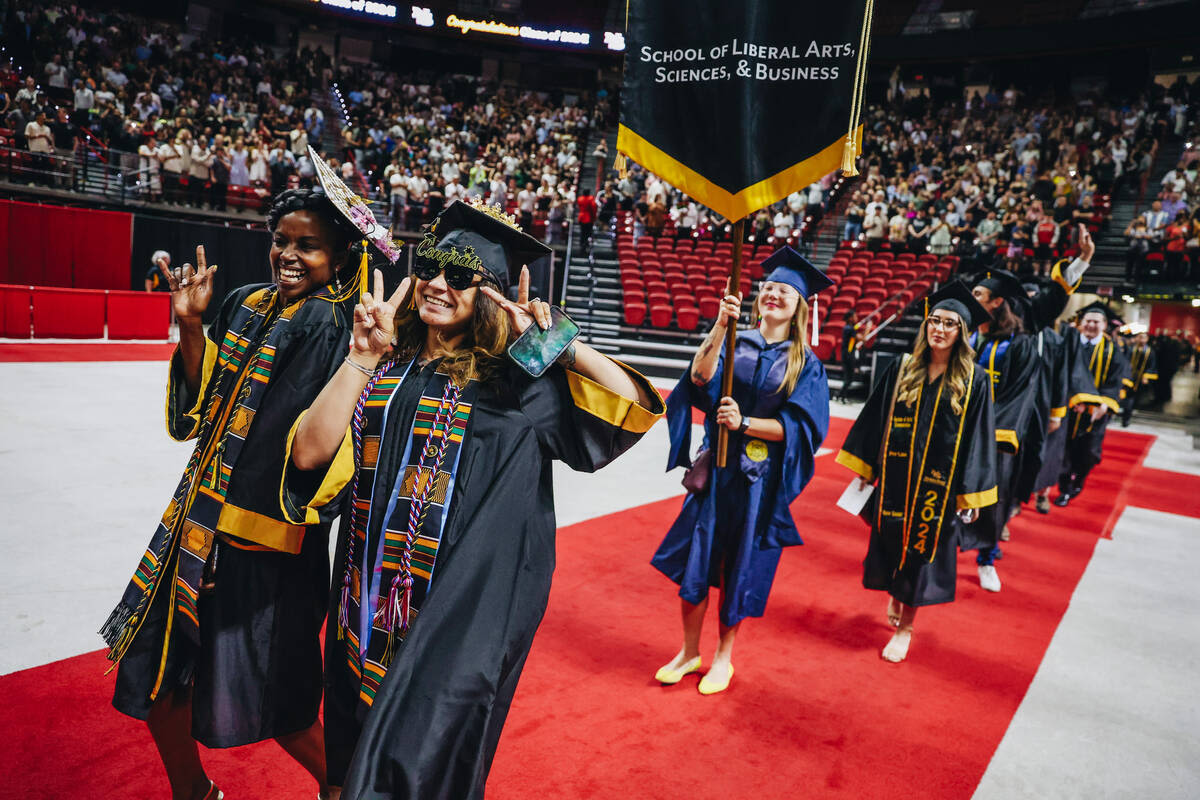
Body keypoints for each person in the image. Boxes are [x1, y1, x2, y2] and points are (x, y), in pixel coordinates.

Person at [283, 198, 665, 798]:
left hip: (455, 618)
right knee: (351, 751)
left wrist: (561, 344)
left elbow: (633, 412)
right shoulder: (386, 359)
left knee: (419, 764)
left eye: (461, 275)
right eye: (431, 266)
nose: (438, 283)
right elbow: (308, 455)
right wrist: (361, 356)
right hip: (362, 600)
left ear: (489, 292)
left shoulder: (514, 378)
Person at [102, 177, 392, 800]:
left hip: (261, 552)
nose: (289, 254)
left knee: (278, 706)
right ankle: (195, 793)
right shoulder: (243, 302)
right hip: (192, 528)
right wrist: (190, 327)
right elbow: (196, 417)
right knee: (157, 679)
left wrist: (232, 544)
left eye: (308, 245)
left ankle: (342, 789)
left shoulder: (332, 327)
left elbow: (301, 453)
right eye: (280, 240)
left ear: (341, 256)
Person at [651, 247, 831, 695]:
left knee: (739, 568)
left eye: (784, 291)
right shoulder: (734, 339)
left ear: (799, 305)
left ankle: (723, 658)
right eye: (769, 287)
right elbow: (697, 380)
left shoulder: (805, 363)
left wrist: (745, 422)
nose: (774, 294)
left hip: (757, 483)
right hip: (716, 476)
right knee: (696, 561)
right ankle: (689, 651)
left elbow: (801, 428)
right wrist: (720, 325)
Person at [837, 281, 997, 663]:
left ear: (962, 332)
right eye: (934, 321)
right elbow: (874, 419)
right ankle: (897, 593)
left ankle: (907, 626)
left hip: (937, 492)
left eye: (949, 324)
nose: (939, 330)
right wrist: (866, 469)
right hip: (896, 481)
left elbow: (979, 438)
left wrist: (970, 494)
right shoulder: (902, 368)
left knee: (922, 553)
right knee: (893, 542)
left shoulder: (975, 381)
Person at [960, 268, 1041, 592]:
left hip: (995, 437)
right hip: (957, 431)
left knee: (992, 500)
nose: (972, 298)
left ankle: (986, 559)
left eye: (979, 295)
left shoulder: (1020, 345)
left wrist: (992, 432)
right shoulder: (965, 335)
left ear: (996, 303)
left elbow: (1021, 394)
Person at [1055, 303, 1131, 506]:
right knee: (1065, 450)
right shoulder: (1068, 344)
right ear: (1081, 324)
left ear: (1104, 325)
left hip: (1097, 412)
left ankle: (1079, 480)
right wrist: (1071, 399)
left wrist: (1103, 405)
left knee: (1089, 452)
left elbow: (1114, 381)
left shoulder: (1112, 349)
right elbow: (1062, 374)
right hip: (1069, 409)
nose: (1090, 325)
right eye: (1087, 321)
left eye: (1096, 322)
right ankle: (1065, 488)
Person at [1121, 332, 1157, 427]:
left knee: (1135, 398)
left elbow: (1152, 365)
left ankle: (1128, 413)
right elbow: (1124, 361)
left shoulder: (1150, 351)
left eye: (1144, 338)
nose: (1142, 340)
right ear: (1137, 338)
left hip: (1140, 379)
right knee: (1128, 397)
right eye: (1140, 337)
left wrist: (1146, 376)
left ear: (1147, 339)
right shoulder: (1130, 349)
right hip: (1129, 376)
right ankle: (1126, 418)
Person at [838, 309, 860, 402]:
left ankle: (841, 396)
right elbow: (861, 338)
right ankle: (842, 396)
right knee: (849, 378)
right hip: (848, 355)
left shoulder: (849, 328)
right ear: (850, 318)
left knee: (849, 378)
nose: (857, 318)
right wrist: (867, 328)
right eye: (855, 316)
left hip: (847, 354)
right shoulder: (849, 329)